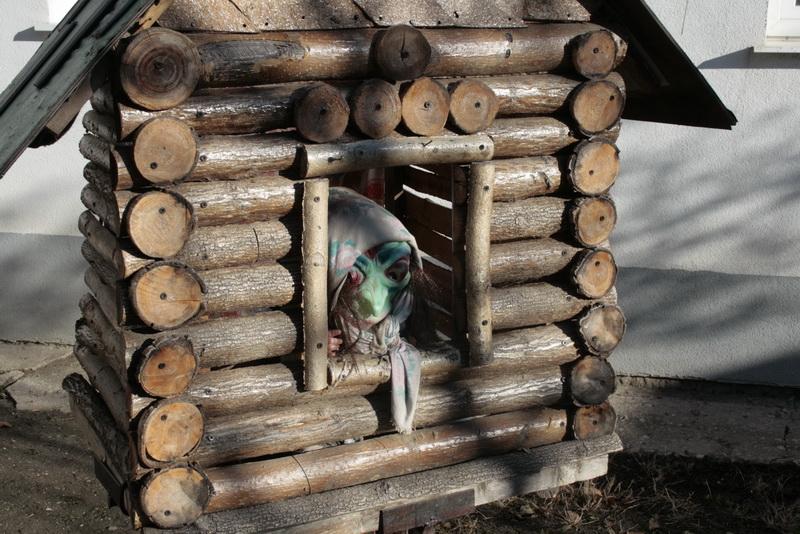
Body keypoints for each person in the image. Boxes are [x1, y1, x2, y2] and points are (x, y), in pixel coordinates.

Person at [326, 187, 436, 434]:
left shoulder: (406, 301)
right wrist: (309, 349)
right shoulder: (316, 306)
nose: (375, 305)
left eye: (394, 275)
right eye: (353, 276)